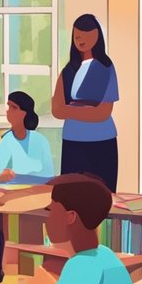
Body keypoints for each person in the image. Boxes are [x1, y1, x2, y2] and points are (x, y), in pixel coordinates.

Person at [51, 14, 120, 191]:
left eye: (86, 35)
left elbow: (103, 113)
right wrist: (87, 109)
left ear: (97, 35)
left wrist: (71, 109)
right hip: (73, 142)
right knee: (71, 195)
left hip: (102, 143)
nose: (80, 40)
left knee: (102, 196)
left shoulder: (106, 67)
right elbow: (57, 110)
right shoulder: (68, 70)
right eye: (77, 36)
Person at [0, 91, 54, 182]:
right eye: (9, 107)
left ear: (25, 113)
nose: (8, 111)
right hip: (12, 191)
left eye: (14, 108)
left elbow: (49, 174)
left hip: (38, 191)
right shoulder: (6, 140)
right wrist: (4, 176)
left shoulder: (40, 140)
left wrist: (17, 177)